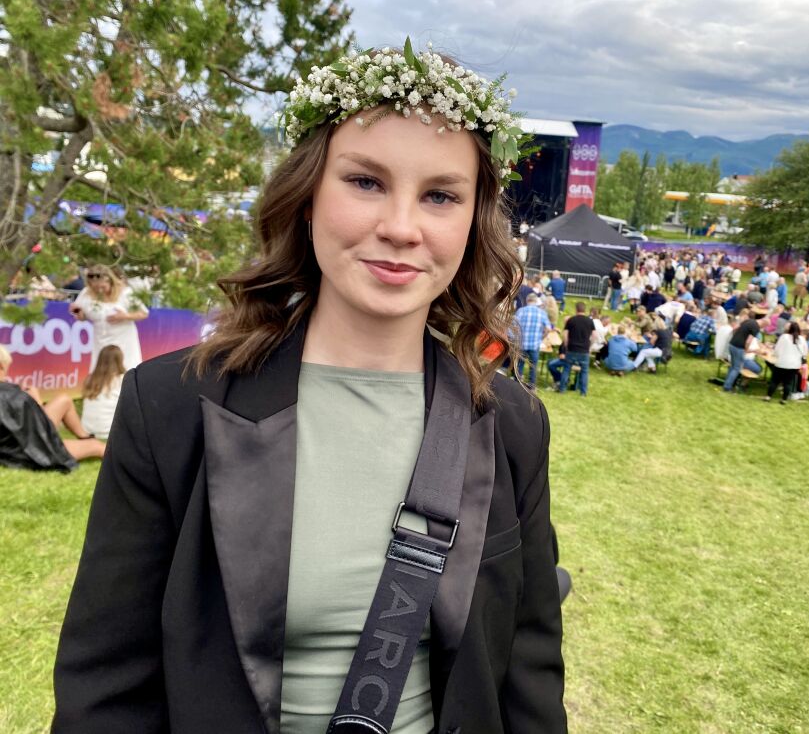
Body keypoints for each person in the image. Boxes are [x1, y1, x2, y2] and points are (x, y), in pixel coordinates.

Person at [53, 44, 567, 734]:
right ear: (306, 194)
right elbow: (106, 688)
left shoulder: (511, 423)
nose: (401, 227)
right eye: (365, 182)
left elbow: (528, 676)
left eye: (440, 195)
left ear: (474, 222)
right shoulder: (173, 408)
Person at [0, 346, 105, 470]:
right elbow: (37, 431)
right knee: (96, 446)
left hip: (10, 448)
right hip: (28, 453)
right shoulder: (16, 397)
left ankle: (84, 436)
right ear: (1, 366)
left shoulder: (14, 395)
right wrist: (36, 401)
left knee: (64, 400)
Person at [69, 264, 149, 371]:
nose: (100, 290)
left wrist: (125, 316)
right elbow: (82, 316)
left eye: (103, 287)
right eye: (96, 288)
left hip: (124, 342)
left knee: (125, 372)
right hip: (101, 342)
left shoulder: (125, 293)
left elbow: (144, 313)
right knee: (101, 374)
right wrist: (79, 314)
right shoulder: (86, 294)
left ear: (110, 282)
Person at [80, 345, 126, 440]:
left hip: (86, 430)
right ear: (120, 360)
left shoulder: (90, 379)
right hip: (108, 432)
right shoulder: (123, 379)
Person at [513, 293, 554, 389]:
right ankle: (532, 386)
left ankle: (516, 385)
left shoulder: (520, 311)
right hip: (535, 344)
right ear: (536, 301)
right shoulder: (541, 312)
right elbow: (548, 328)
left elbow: (514, 326)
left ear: (527, 300)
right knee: (533, 366)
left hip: (521, 343)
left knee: (519, 365)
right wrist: (542, 337)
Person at [764, 322, 808, 403]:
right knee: (788, 383)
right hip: (794, 365)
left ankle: (768, 396)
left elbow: (777, 350)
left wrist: (775, 354)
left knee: (775, 381)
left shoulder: (784, 337)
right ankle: (784, 399)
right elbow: (805, 353)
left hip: (782, 363)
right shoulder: (802, 339)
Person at [558, 302, 594, 396]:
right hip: (584, 350)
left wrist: (566, 344)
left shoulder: (571, 320)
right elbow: (594, 335)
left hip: (572, 349)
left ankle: (562, 389)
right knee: (584, 371)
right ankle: (583, 392)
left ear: (576, 309)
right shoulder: (589, 321)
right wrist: (590, 346)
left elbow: (565, 334)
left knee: (566, 369)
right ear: (584, 310)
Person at [723, 313, 763, 392]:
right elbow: (748, 341)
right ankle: (727, 387)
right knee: (737, 368)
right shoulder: (756, 327)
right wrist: (746, 349)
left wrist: (735, 337)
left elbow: (735, 329)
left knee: (733, 366)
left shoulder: (747, 321)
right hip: (739, 348)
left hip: (732, 344)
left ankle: (727, 384)